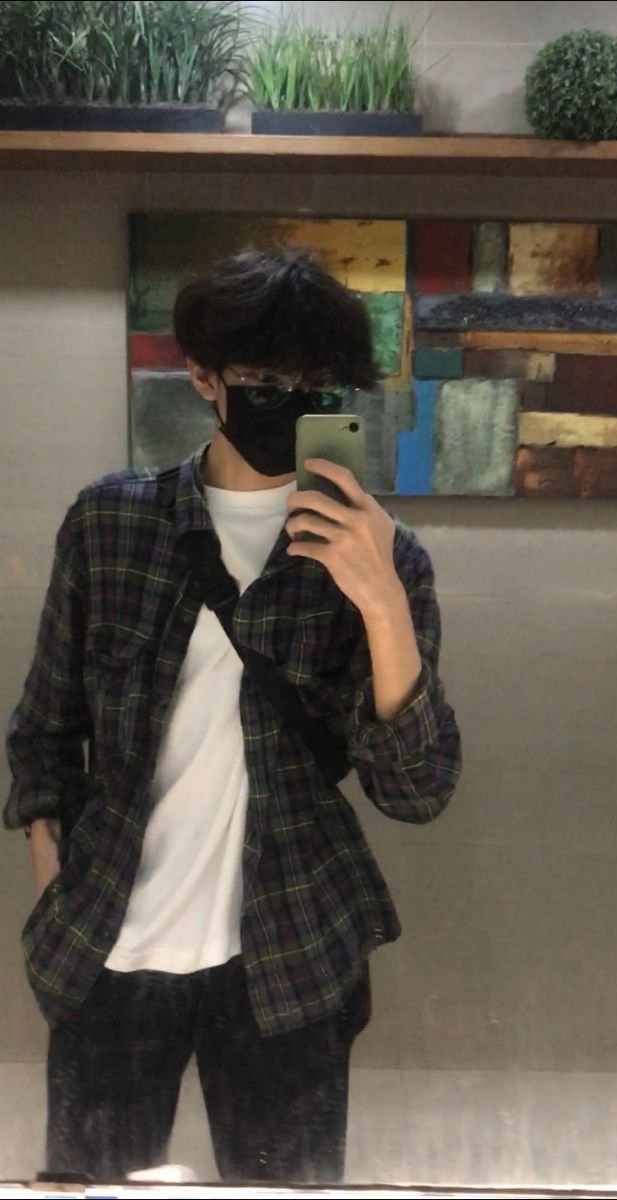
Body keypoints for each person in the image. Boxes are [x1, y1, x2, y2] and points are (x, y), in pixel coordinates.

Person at [3, 248, 462, 1182]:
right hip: (107, 945)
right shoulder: (111, 522)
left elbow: (416, 790)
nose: (288, 405)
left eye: (315, 388)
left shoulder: (383, 554)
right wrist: (55, 889)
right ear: (203, 377)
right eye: (262, 383)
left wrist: (377, 595)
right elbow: (44, 732)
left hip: (289, 950)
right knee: (92, 1190)